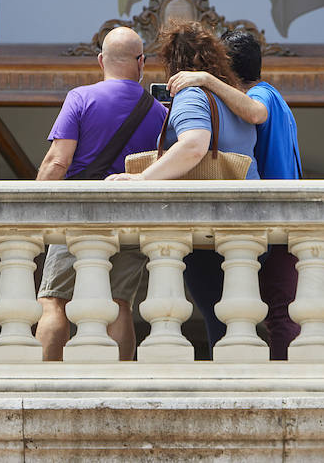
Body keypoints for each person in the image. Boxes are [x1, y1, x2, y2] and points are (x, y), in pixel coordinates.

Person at [106, 20, 258, 354]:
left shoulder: (191, 95)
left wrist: (143, 179)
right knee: (240, 316)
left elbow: (193, 146)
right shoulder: (234, 99)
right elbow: (256, 117)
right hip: (245, 218)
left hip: (209, 223)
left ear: (173, 63)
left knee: (217, 314)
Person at [167, 28, 302, 359]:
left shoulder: (263, 96)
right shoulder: (277, 97)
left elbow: (255, 113)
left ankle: (286, 383)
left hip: (274, 218)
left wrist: (207, 80)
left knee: (278, 313)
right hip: (283, 218)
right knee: (274, 309)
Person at [34, 25, 167, 361]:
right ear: (141, 62)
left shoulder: (80, 97)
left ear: (100, 61)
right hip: (129, 216)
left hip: (77, 213)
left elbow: (56, 162)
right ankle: (120, 379)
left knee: (54, 300)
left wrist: (31, 208)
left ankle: (42, 377)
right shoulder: (159, 112)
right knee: (119, 302)